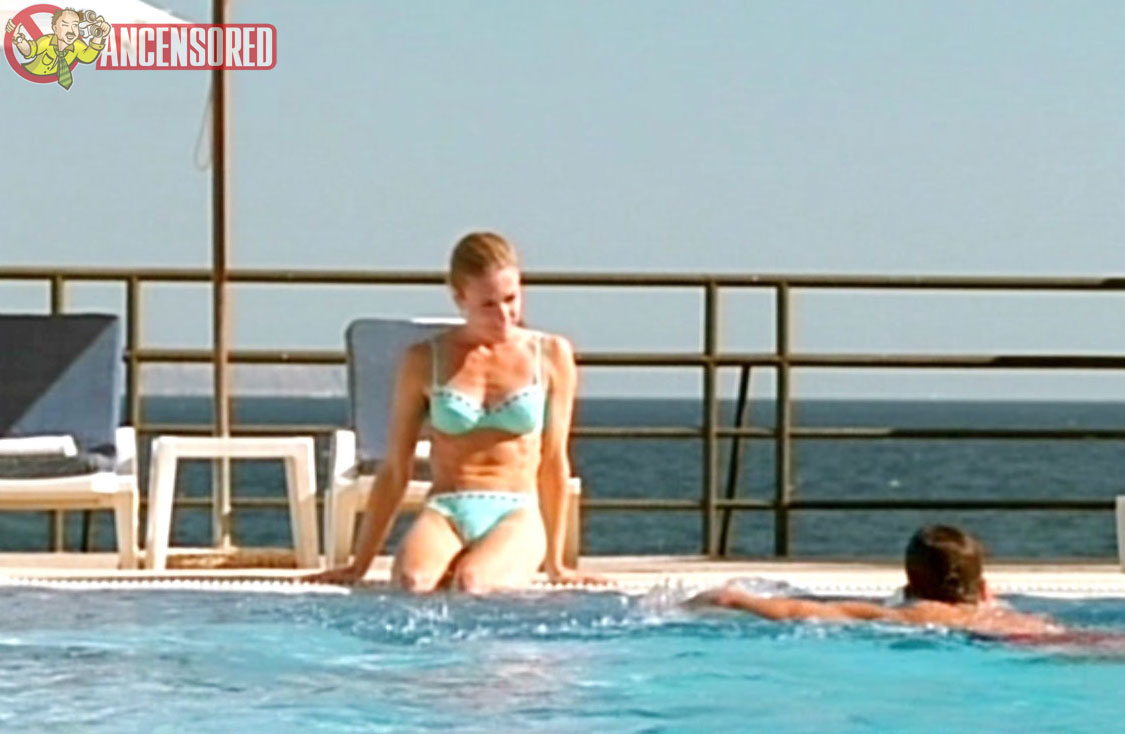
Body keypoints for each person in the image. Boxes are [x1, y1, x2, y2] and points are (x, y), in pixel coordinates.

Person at [309, 232, 606, 593]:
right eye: (488, 305)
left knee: (472, 582)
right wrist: (360, 564)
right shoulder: (424, 360)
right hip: (448, 508)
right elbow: (396, 467)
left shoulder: (550, 356)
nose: (504, 316)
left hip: (516, 510)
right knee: (413, 583)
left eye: (511, 299)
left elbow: (554, 461)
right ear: (459, 299)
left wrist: (558, 564)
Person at [692, 525, 1062, 638]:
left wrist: (734, 599)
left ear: (909, 586)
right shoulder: (1013, 619)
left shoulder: (902, 616)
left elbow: (796, 611)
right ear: (983, 588)